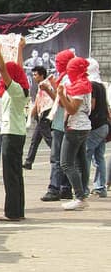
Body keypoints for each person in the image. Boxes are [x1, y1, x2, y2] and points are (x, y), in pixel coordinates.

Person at [0, 36, 29, 221]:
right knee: (16, 174)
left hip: (11, 134)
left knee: (10, 175)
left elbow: (3, 69)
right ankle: (17, 211)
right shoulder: (20, 88)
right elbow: (17, 68)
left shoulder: (14, 90)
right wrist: (20, 48)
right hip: (17, 132)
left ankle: (12, 212)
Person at [57, 57, 93, 210]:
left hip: (76, 127)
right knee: (80, 162)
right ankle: (82, 194)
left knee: (66, 163)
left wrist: (61, 95)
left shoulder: (80, 87)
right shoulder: (81, 84)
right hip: (81, 126)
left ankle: (80, 197)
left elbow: (71, 109)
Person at [40, 50, 75, 202]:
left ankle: (54, 188)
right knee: (67, 158)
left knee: (57, 158)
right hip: (65, 122)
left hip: (62, 123)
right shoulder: (69, 78)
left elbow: (61, 102)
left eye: (60, 62)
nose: (57, 64)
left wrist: (48, 89)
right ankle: (66, 188)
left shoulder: (67, 79)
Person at [85, 59, 108, 197]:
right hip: (103, 125)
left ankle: (84, 188)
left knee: (85, 156)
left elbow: (91, 105)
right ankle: (100, 187)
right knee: (99, 157)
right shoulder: (101, 85)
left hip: (94, 126)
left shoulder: (91, 85)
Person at [24, 66, 53, 169]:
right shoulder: (41, 86)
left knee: (49, 139)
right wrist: (31, 116)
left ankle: (57, 155)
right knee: (35, 140)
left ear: (41, 75)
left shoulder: (45, 85)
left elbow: (47, 102)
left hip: (45, 115)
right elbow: (37, 102)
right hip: (40, 116)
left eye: (35, 75)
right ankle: (28, 162)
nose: (34, 77)